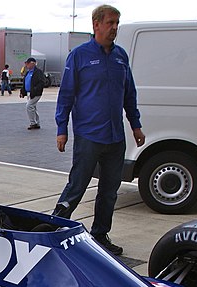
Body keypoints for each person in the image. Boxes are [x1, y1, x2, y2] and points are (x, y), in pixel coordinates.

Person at [53, 5, 146, 256]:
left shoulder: (120, 57)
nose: (114, 27)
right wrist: (62, 128)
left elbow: (129, 94)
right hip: (88, 135)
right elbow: (66, 95)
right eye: (110, 23)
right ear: (96, 24)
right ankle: (53, 229)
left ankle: (100, 234)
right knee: (77, 186)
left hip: (115, 137)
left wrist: (135, 125)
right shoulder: (80, 56)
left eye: (117, 23)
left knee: (109, 191)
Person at [20, 57, 46, 130]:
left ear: (32, 63)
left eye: (27, 63)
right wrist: (22, 91)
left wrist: (35, 90)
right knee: (33, 107)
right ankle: (37, 123)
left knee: (29, 106)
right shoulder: (28, 72)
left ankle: (33, 123)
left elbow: (41, 82)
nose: (26, 65)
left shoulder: (38, 72)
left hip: (35, 93)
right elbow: (25, 83)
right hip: (29, 93)